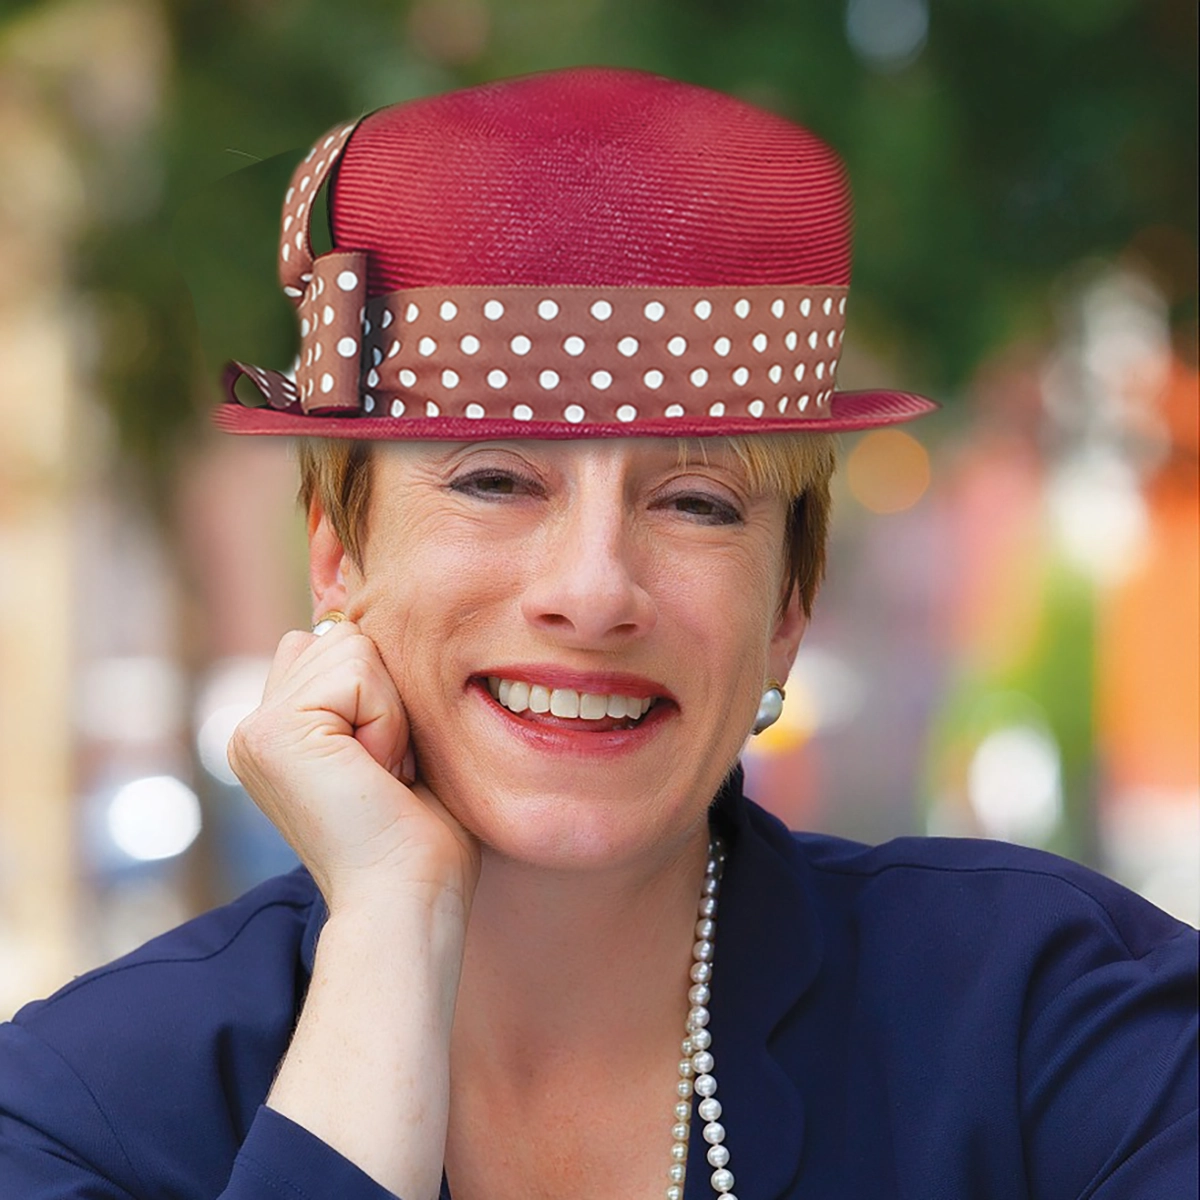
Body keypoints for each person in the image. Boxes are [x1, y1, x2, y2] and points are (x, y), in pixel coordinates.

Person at [0, 67, 1195, 1200]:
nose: (594, 589)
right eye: (494, 482)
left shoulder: (1060, 1023)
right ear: (339, 555)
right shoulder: (82, 1106)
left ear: (787, 605)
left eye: (696, 503)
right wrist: (393, 925)